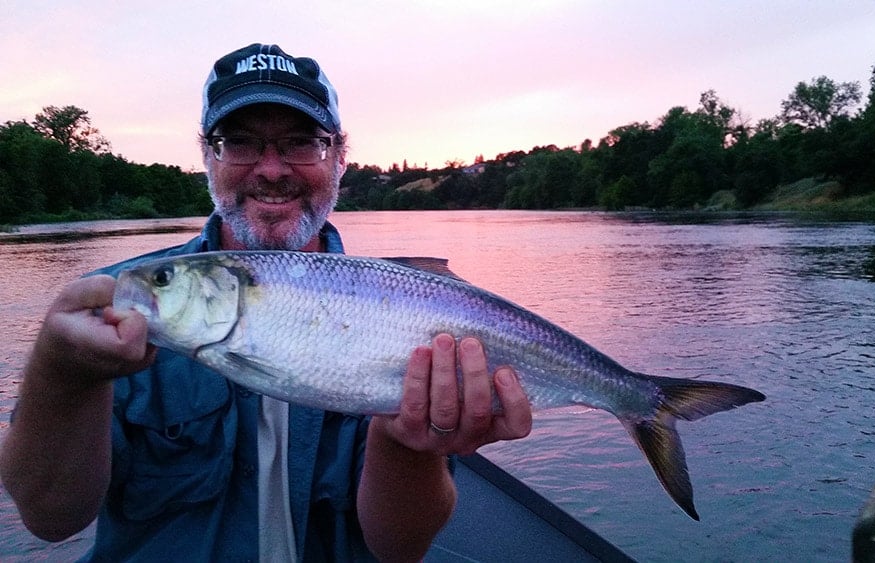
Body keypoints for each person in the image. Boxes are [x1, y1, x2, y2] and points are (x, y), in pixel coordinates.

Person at [0, 43, 533, 562]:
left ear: (340, 159)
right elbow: (50, 520)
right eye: (240, 142)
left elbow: (398, 549)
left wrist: (405, 443)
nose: (272, 169)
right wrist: (60, 375)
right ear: (208, 156)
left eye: (301, 143)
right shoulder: (115, 310)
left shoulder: (406, 312)